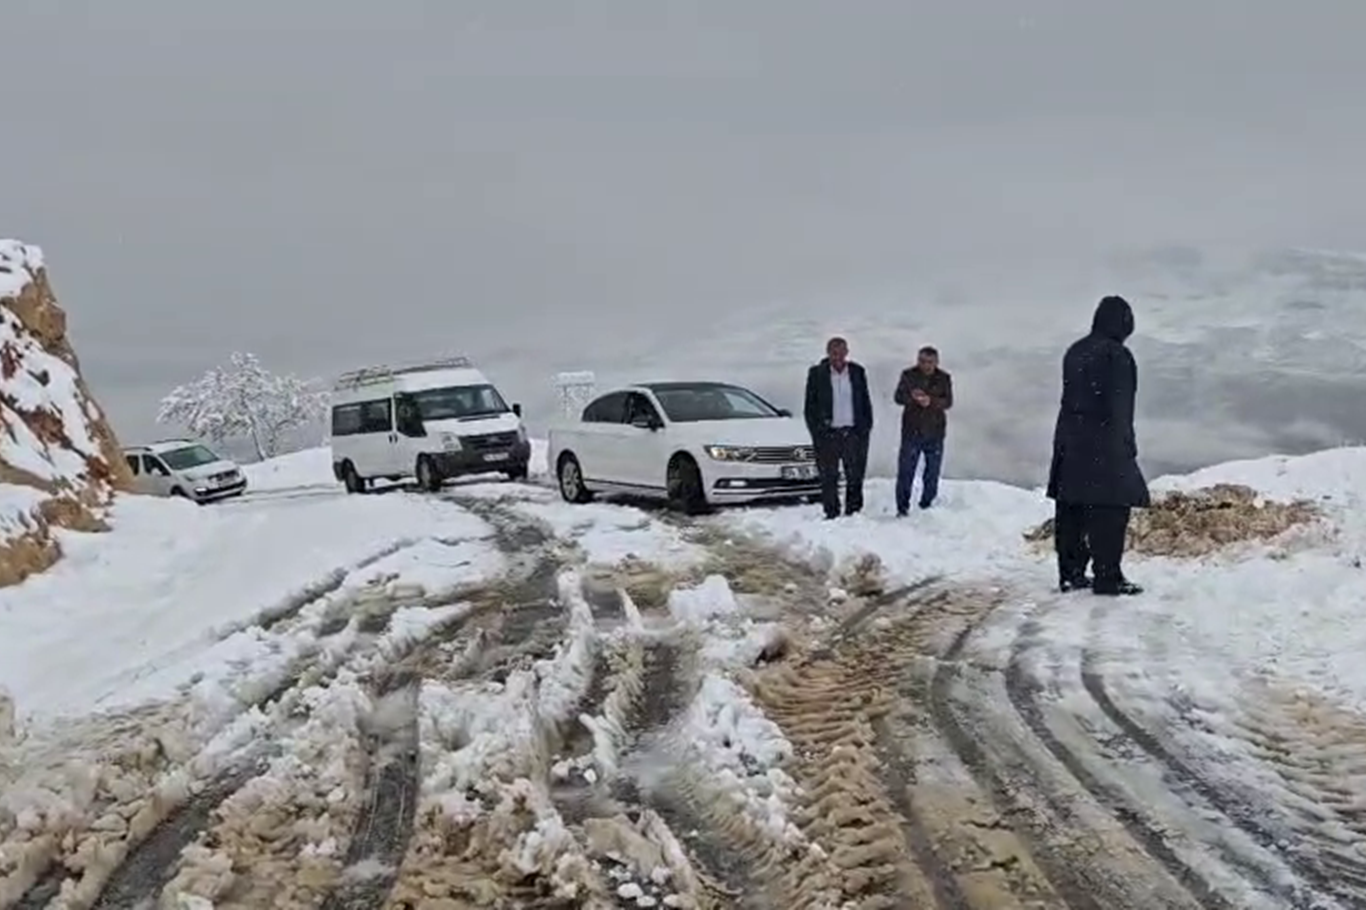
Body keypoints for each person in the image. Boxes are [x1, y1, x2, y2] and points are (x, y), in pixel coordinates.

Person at [1046, 295, 1149, 596]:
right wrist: (1126, 446)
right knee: (1110, 512)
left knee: (1071, 511)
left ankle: (1071, 573)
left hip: (1069, 441)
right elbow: (1120, 407)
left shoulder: (1075, 351)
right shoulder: (1117, 355)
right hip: (1103, 446)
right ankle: (1107, 577)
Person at [804, 336, 874, 519]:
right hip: (828, 434)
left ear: (847, 352)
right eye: (834, 353)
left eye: (841, 352)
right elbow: (809, 407)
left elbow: (865, 401)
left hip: (853, 433)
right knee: (829, 476)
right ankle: (831, 512)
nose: (838, 357)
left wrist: (865, 428)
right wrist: (818, 432)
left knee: (855, 475)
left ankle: (854, 512)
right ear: (828, 353)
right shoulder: (817, 374)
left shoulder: (857, 372)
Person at [893, 345, 953, 514]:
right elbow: (898, 397)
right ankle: (902, 508)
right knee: (906, 472)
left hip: (935, 432)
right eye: (922, 361)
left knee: (932, 472)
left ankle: (927, 505)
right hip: (912, 432)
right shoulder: (909, 375)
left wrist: (931, 401)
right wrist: (913, 398)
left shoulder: (943, 378)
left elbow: (948, 402)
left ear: (936, 362)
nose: (925, 365)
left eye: (929, 362)